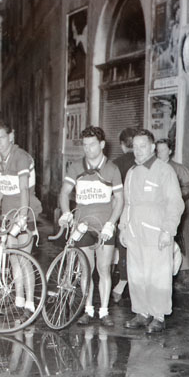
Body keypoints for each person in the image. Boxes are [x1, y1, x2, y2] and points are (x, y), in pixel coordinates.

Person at [58, 126, 123, 327]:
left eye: (92, 144)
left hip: (104, 228)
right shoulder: (76, 167)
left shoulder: (112, 169)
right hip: (83, 226)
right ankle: (87, 310)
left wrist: (111, 224)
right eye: (85, 145)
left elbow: (120, 199)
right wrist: (66, 213)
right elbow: (64, 192)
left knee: (104, 269)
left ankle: (103, 311)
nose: (88, 149)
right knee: (86, 270)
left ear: (102, 144)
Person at [120, 129, 184, 333]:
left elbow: (175, 203)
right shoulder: (131, 172)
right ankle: (141, 312)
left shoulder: (164, 171)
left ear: (152, 147)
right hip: (135, 231)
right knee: (136, 273)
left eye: (142, 146)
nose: (138, 150)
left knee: (158, 275)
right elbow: (127, 204)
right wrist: (123, 227)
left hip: (157, 233)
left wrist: (168, 230)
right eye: (135, 147)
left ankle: (158, 316)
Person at [0, 121, 42, 314]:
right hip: (7, 213)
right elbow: (4, 184)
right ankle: (19, 301)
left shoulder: (21, 157)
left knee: (24, 259)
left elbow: (23, 188)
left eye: (2, 138)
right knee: (13, 259)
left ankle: (30, 304)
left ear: (11, 137)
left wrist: (22, 217)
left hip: (25, 212)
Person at [156, 138, 189, 288]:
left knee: (181, 243)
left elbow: (188, 187)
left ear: (170, 151)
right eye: (157, 150)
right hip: (159, 213)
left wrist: (173, 198)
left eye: (163, 150)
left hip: (177, 213)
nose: (160, 153)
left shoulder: (179, 169)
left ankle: (183, 277)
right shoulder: (154, 169)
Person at [111, 127, 137, 304]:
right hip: (142, 212)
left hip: (123, 212)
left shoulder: (116, 164)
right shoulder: (145, 161)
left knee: (124, 248)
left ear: (122, 145)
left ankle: (122, 283)